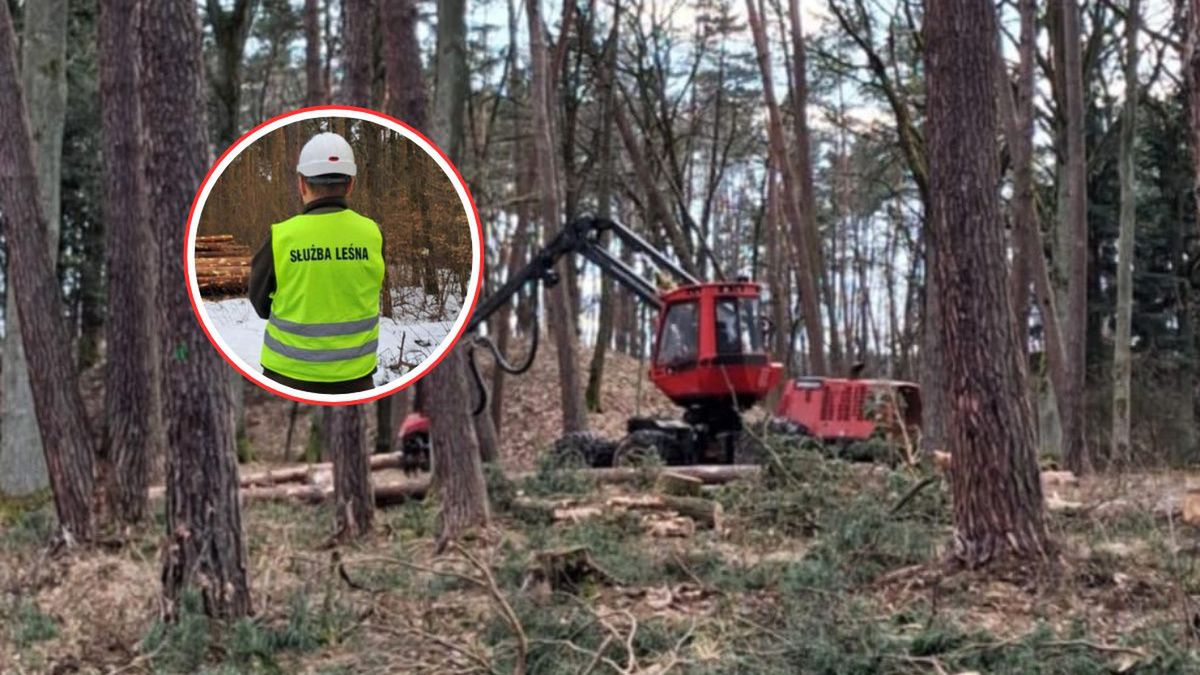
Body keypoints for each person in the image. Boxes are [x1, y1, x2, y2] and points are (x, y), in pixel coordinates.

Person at [248, 131, 385, 394]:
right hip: (356, 380)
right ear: (350, 184)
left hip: (286, 379)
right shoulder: (373, 234)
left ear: (302, 184)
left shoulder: (281, 237)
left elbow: (260, 303)